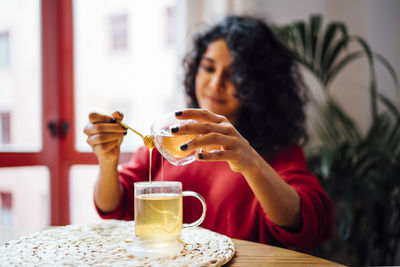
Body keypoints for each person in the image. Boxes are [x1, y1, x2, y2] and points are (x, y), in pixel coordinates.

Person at [84, 15, 333, 251]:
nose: (216, 84)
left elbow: (309, 226)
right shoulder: (170, 139)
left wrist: (250, 163)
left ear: (259, 85)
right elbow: (113, 205)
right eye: (209, 68)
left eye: (234, 75)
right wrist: (107, 161)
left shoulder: (276, 153)